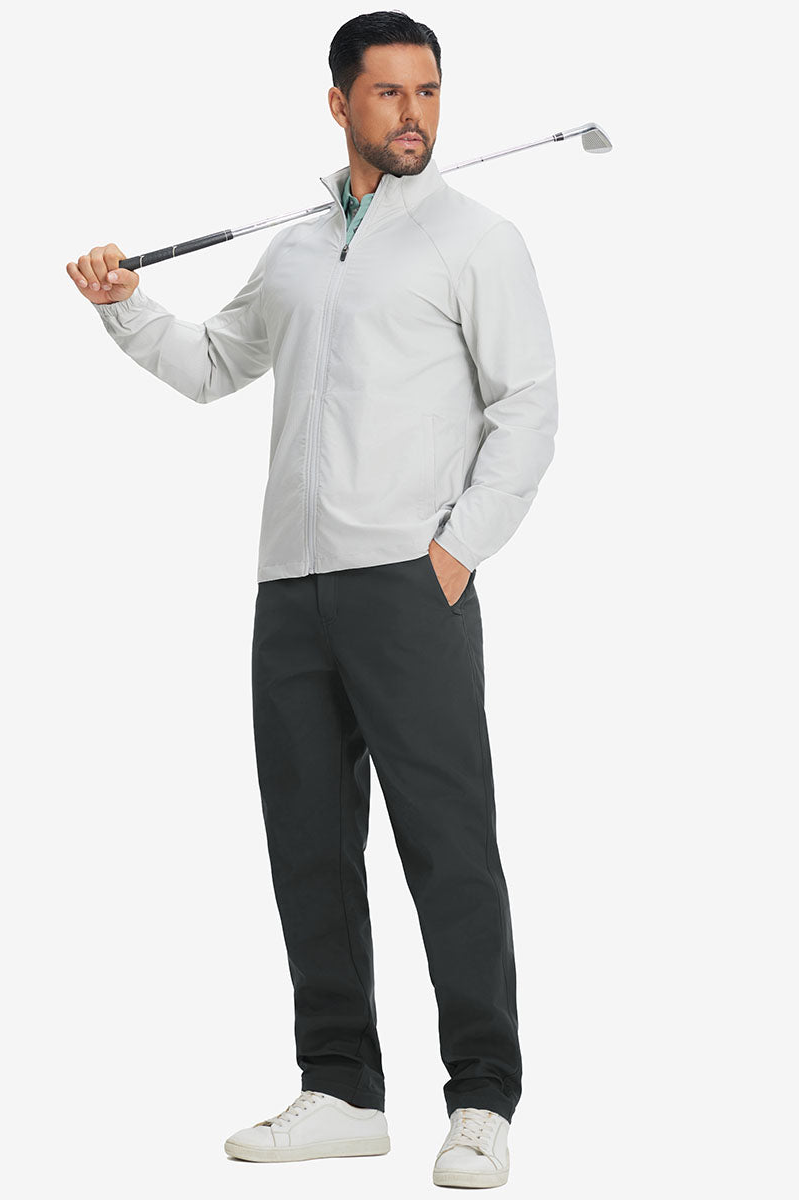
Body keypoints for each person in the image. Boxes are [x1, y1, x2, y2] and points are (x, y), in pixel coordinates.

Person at [66, 11, 558, 1190]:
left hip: (410, 582)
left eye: (428, 91)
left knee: (447, 843)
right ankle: (341, 1087)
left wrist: (456, 554)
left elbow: (528, 407)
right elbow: (215, 366)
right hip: (290, 585)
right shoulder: (293, 252)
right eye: (388, 93)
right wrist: (122, 305)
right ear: (340, 103)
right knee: (309, 844)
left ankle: (482, 1100)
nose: (414, 115)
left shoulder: (477, 240)